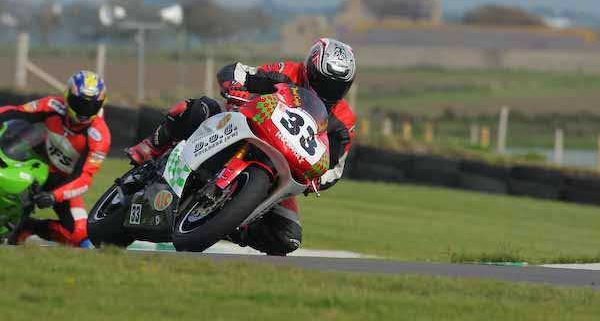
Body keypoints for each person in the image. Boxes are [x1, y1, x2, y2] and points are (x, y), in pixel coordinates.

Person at [126, 38, 356, 255]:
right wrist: (235, 86)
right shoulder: (287, 72)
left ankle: (227, 222)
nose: (328, 90)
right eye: (323, 82)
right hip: (243, 126)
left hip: (282, 167)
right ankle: (151, 146)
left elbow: (335, 168)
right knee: (199, 109)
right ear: (309, 71)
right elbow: (238, 72)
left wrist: (316, 180)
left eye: (337, 86)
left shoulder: (344, 121)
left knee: (287, 237)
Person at [0, 70, 111, 247]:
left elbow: (84, 178)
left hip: (63, 182)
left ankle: (28, 227)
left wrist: (54, 196)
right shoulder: (52, 105)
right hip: (34, 162)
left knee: (80, 234)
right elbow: (16, 112)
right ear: (67, 97)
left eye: (91, 106)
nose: (83, 111)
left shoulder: (99, 137)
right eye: (79, 103)